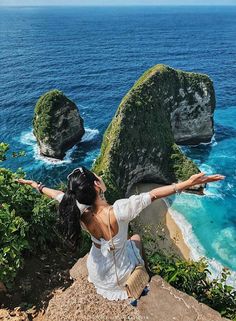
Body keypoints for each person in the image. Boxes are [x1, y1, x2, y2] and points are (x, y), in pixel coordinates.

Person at [17, 168, 224, 301]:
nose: (100, 177)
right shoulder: (119, 210)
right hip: (120, 276)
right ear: (97, 186)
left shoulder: (77, 209)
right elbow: (152, 195)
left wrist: (36, 186)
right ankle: (142, 278)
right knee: (136, 239)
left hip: (97, 272)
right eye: (97, 176)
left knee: (128, 241)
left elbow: (56, 194)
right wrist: (186, 183)